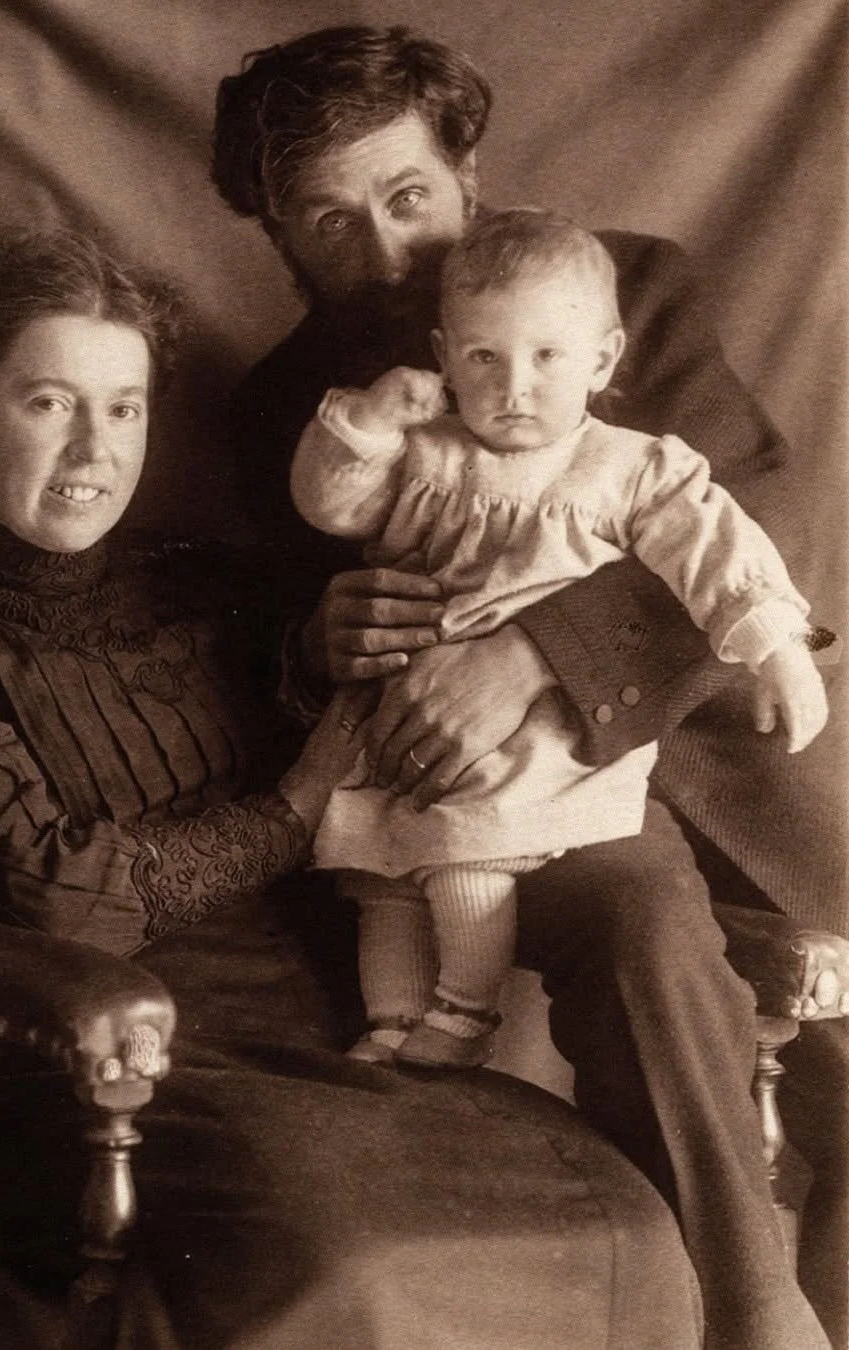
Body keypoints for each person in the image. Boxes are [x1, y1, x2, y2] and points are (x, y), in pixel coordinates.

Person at [0, 229, 711, 1349]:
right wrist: (293, 814)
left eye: (126, 406)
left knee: (624, 1224)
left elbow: (364, 687)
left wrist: (336, 651)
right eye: (49, 403)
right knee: (347, 1262)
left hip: (341, 1019)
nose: (93, 449)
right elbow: (57, 894)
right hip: (111, 1054)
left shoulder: (204, 580)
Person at [212, 25, 846, 1349]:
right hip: (502, 820)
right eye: (328, 221)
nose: (384, 254)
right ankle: (756, 1309)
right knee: (635, 937)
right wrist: (317, 641)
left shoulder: (624, 296)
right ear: (275, 234)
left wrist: (535, 649)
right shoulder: (293, 407)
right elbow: (264, 641)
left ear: (469, 172)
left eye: (406, 198)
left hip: (724, 762)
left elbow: (747, 530)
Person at [290, 207, 828, 1070]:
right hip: (413, 716)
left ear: (603, 359)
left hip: (544, 731)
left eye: (547, 358)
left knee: (466, 862)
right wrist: (367, 420)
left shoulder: (629, 466)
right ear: (443, 359)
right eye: (484, 359)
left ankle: (463, 1014)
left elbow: (722, 550)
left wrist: (777, 648)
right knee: (380, 882)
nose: (515, 389)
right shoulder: (430, 453)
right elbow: (335, 505)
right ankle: (390, 1021)